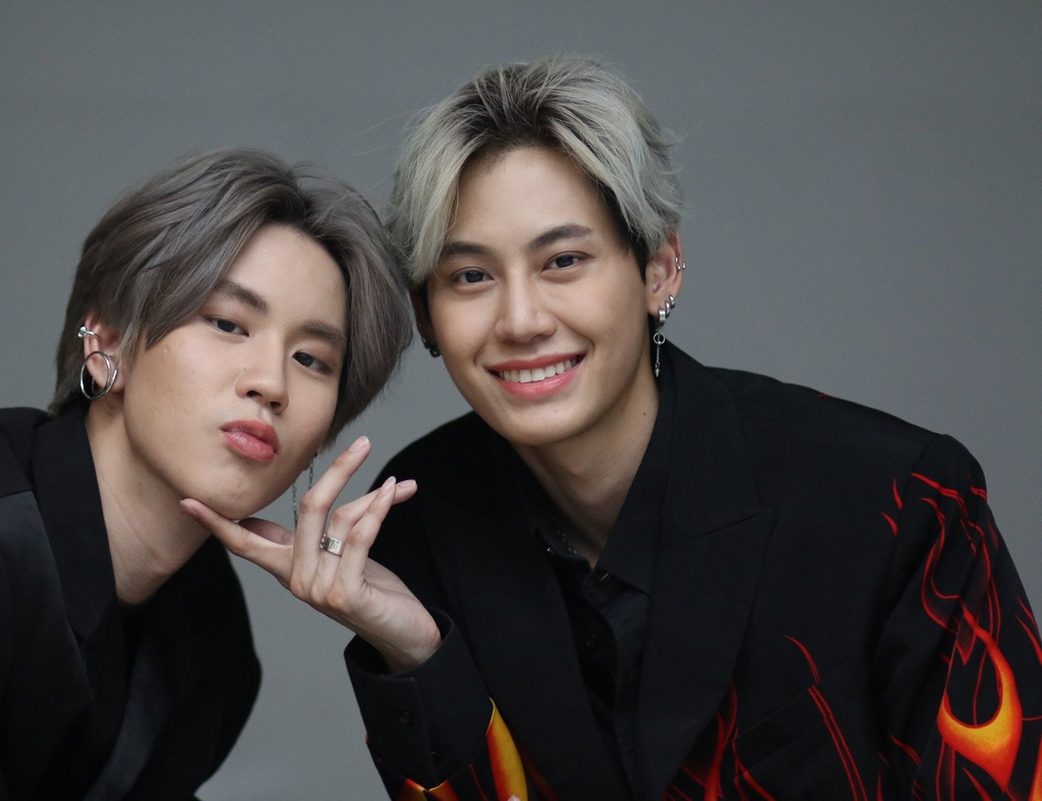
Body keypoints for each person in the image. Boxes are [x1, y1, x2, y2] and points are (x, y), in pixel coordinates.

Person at [195, 58, 1042, 799]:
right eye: (471, 276)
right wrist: (418, 653)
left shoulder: (896, 501)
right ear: (426, 313)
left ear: (658, 269)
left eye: (564, 261)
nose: (521, 320)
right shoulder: (418, 526)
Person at [0, 148, 412, 799]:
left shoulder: (211, 638)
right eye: (229, 323)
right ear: (107, 339)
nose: (272, 383)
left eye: (311, 359)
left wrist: (413, 651)